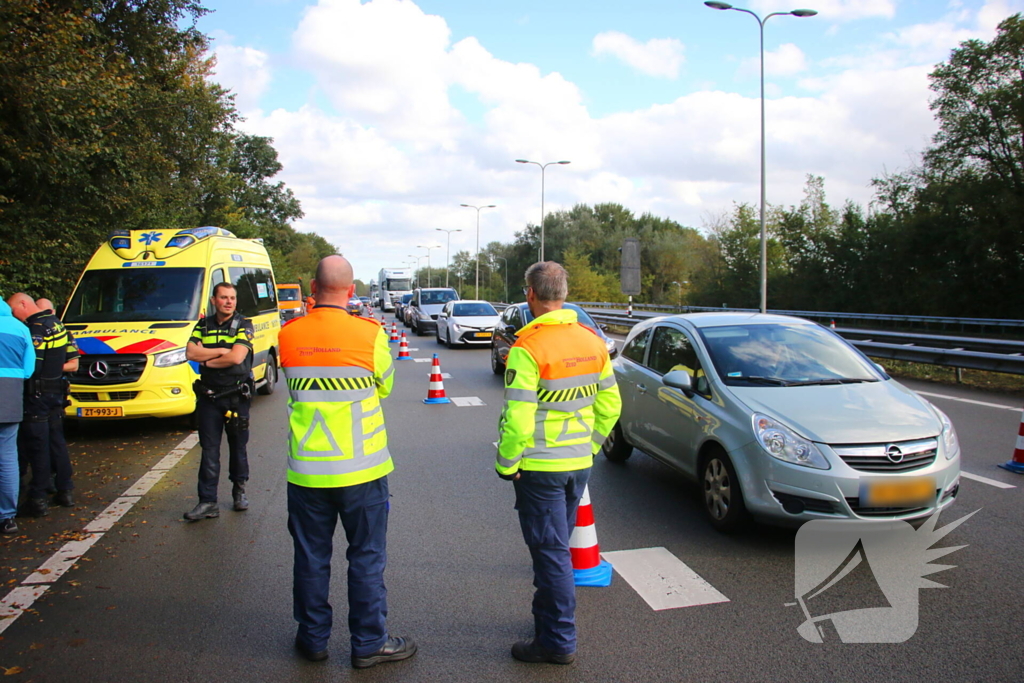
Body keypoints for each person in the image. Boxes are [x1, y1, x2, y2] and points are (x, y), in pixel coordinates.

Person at [279, 255, 416, 669]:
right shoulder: (370, 335)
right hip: (363, 470)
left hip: (307, 472)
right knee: (366, 557)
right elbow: (386, 386)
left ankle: (313, 638)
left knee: (310, 557)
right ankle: (369, 643)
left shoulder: (289, 335)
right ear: (352, 291)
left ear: (312, 291)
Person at [496, 261, 622, 665]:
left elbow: (517, 418)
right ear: (564, 294)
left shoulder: (528, 348)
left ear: (530, 294)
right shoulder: (591, 342)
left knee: (551, 555)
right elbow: (611, 405)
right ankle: (547, 623)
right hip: (577, 464)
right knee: (556, 549)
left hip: (540, 468)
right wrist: (589, 447)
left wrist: (506, 462)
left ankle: (558, 641)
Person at [183, 283, 255, 521]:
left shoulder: (244, 324)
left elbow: (237, 357)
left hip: (236, 397)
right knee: (209, 449)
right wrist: (222, 351)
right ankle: (207, 502)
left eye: (232, 298)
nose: (229, 302)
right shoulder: (203, 325)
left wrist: (208, 360)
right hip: (209, 398)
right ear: (214, 300)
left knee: (238, 447)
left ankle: (239, 491)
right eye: (224, 297)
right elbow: (191, 353)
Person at [6, 293, 79, 517]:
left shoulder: (35, 329)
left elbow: (32, 368)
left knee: (37, 445)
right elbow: (71, 361)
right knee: (56, 441)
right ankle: (64, 489)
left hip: (37, 395)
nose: (13, 316)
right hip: (55, 393)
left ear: (23, 304)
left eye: (13, 310)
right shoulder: (58, 325)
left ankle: (37, 497)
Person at [0, 297, 35, 533]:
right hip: (9, 396)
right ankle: (7, 516)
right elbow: (29, 369)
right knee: (8, 457)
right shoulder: (20, 328)